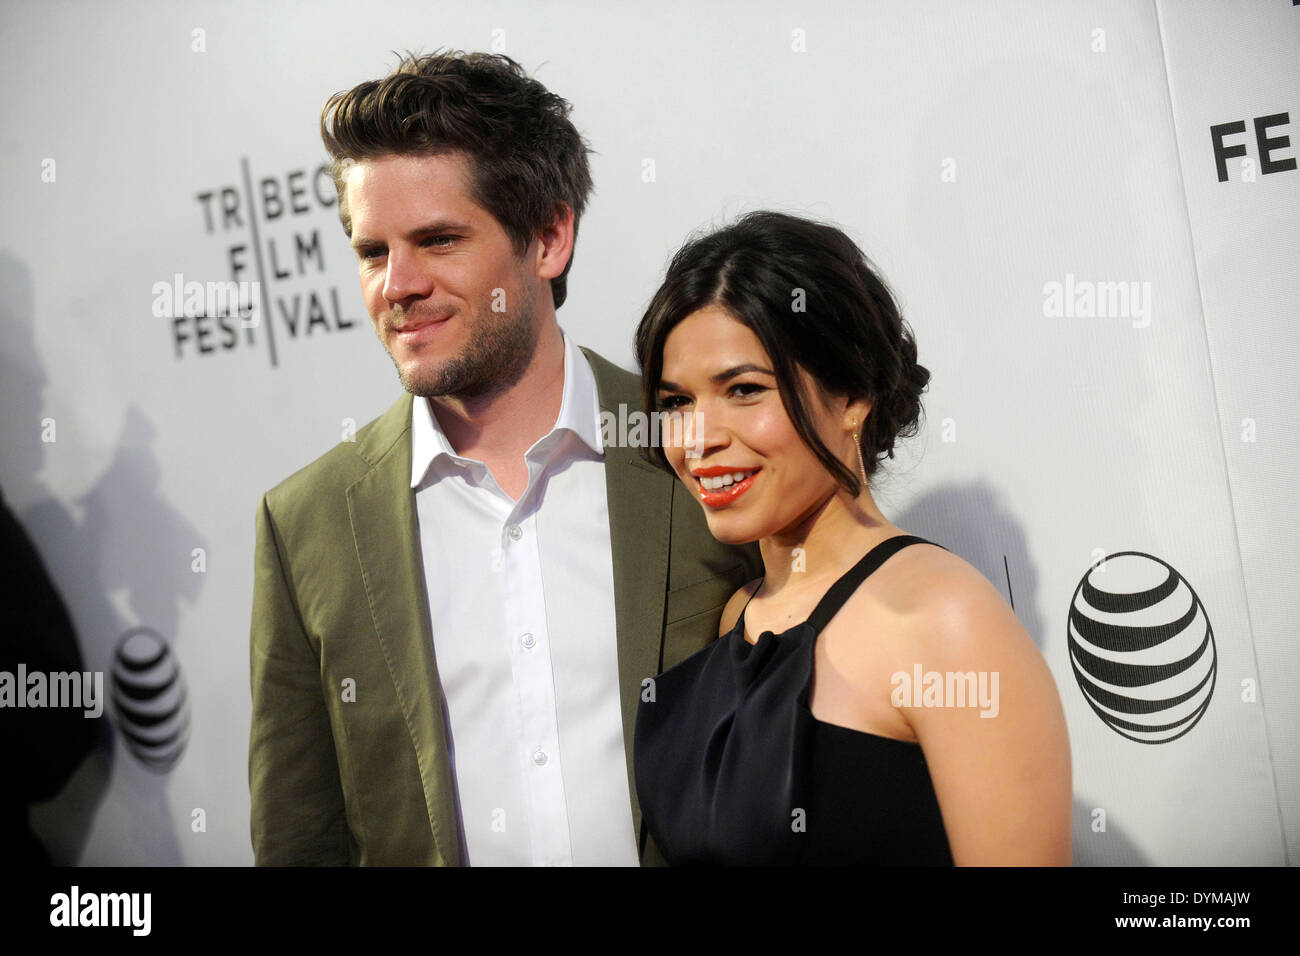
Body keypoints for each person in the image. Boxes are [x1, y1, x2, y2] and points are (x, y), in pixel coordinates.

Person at [248, 51, 760, 866]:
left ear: (550, 237)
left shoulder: (702, 449)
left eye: (439, 240)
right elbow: (299, 840)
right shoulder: (306, 524)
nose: (398, 285)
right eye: (373, 252)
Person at [632, 211, 1072, 865]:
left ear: (852, 396)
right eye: (677, 403)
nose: (698, 439)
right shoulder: (736, 617)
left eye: (744, 390)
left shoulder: (942, 623)